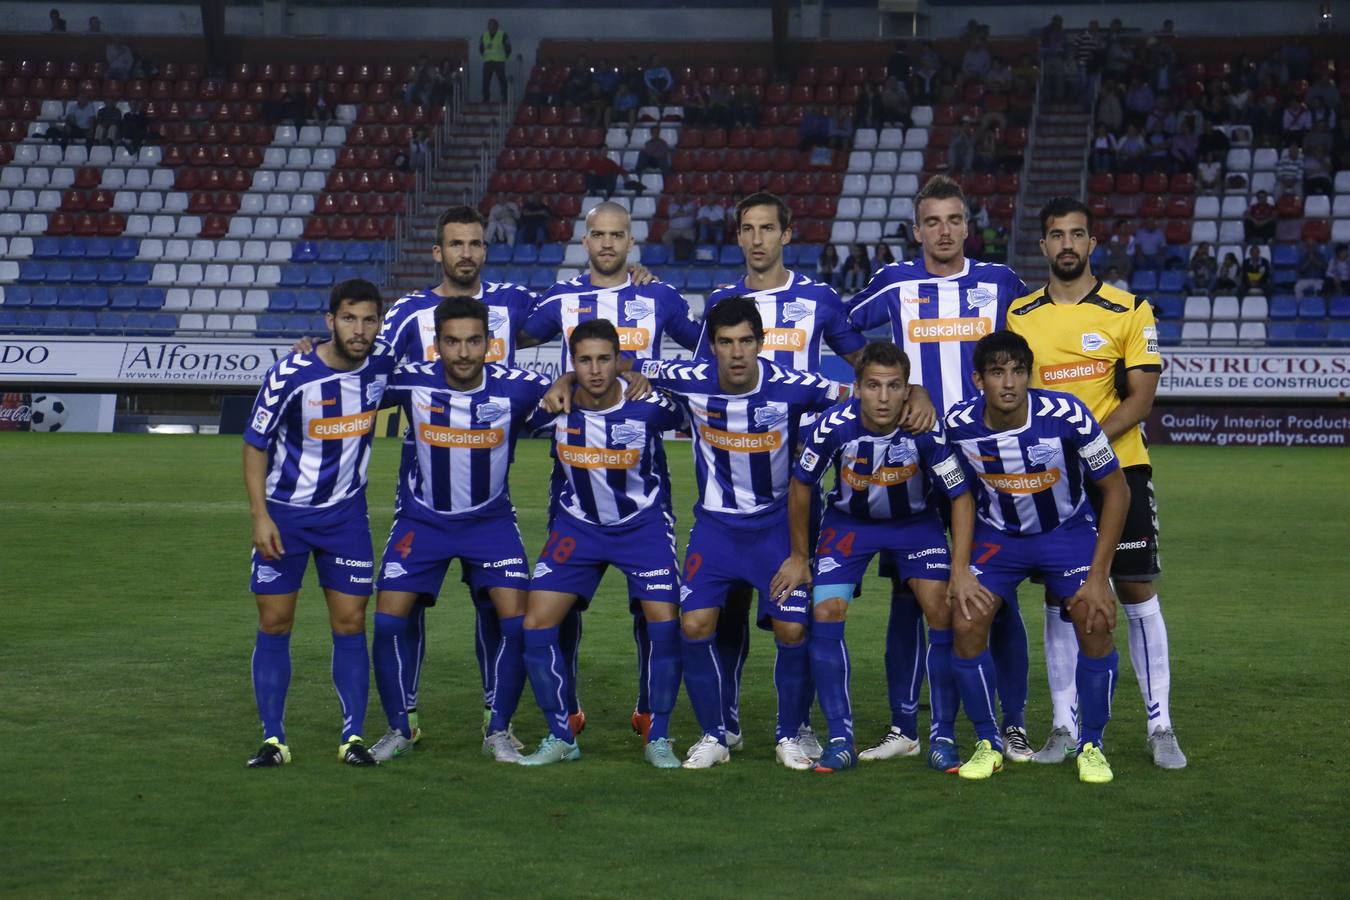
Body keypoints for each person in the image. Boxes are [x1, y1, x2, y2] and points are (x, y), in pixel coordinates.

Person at [698, 193, 933, 766]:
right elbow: (701, 376)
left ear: (787, 234)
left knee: (795, 616)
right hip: (734, 478)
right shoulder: (721, 304)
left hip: (803, 479)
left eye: (768, 229)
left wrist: (915, 387)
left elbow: (866, 361)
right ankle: (723, 724)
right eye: (747, 229)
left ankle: (798, 725)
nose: (758, 239)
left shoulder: (819, 299)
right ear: (738, 238)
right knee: (723, 610)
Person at [844, 174, 1033, 766]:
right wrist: (900, 387)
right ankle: (906, 724)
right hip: (916, 458)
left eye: (954, 220)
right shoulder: (895, 283)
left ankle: (1013, 723)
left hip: (984, 457)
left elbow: (1030, 348)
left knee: (994, 594)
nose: (944, 231)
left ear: (968, 227)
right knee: (910, 593)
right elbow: (845, 326)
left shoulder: (1000, 283)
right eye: (933, 221)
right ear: (917, 229)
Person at [1007, 196, 1186, 770]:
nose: (1066, 244)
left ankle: (1160, 726)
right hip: (1049, 476)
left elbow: (1141, 399)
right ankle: (1064, 725)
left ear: (1091, 243)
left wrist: (1086, 442)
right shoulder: (1020, 316)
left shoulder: (1130, 308)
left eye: (1076, 234)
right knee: (1064, 595)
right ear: (1043, 247)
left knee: (1134, 589)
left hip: (1120, 470)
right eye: (1056, 235)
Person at [636, 300, 849, 768]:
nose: (736, 353)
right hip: (715, 530)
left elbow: (858, 395)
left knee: (792, 629)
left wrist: (914, 395)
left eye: (746, 342)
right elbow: (619, 359)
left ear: (761, 343)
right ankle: (715, 736)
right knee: (693, 625)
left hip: (775, 531)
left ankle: (788, 735)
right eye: (726, 343)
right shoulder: (690, 379)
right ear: (711, 347)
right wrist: (579, 378)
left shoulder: (794, 388)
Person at [522, 202, 703, 740]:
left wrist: (649, 374)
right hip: (573, 475)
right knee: (563, 604)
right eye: (598, 235)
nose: (607, 244)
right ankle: (567, 707)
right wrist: (554, 383)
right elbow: (516, 337)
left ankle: (650, 709)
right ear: (585, 241)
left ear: (631, 242)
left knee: (652, 609)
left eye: (617, 235)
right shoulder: (561, 297)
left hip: (642, 472)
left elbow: (704, 355)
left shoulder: (659, 296)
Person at [370, 207, 540, 746]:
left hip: (491, 488)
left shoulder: (512, 303)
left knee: (503, 607)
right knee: (401, 607)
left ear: (485, 250)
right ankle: (404, 721)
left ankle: (499, 721)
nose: (466, 252)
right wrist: (315, 350)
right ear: (437, 252)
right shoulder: (407, 314)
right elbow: (365, 364)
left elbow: (581, 316)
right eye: (455, 244)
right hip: (423, 492)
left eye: (475, 243)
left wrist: (633, 280)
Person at [770, 341, 975, 773]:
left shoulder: (925, 430)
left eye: (894, 386)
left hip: (915, 525)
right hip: (850, 525)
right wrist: (799, 555)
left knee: (941, 611)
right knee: (826, 612)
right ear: (858, 388)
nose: (883, 397)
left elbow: (959, 494)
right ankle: (840, 738)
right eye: (874, 386)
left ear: (907, 391)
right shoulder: (833, 427)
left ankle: (940, 736)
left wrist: (959, 569)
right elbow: (801, 484)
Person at [944, 330, 1130, 784]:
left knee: (1096, 617)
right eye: (997, 372)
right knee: (966, 620)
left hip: (1064, 532)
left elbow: (1117, 490)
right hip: (998, 537)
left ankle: (1091, 745)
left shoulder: (1068, 415)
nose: (1008, 382)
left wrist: (1099, 577)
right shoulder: (957, 425)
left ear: (1030, 375)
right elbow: (958, 494)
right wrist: (960, 569)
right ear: (978, 380)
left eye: (1018, 371)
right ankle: (988, 741)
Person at [500, 320, 686, 768]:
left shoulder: (649, 405)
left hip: (642, 527)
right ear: (572, 363)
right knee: (535, 627)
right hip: (577, 529)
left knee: (664, 625)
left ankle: (658, 735)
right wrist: (558, 383)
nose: (595, 369)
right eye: (584, 360)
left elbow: (686, 410)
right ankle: (561, 734)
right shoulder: (554, 407)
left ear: (618, 359)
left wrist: (642, 374)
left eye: (604, 358)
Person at [241, 279, 393, 768]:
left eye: (369, 320)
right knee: (275, 622)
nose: (359, 329)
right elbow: (254, 444)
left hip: (345, 518)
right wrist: (260, 516)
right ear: (330, 321)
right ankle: (273, 739)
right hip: (285, 518)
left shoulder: (382, 365)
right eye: (349, 318)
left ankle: (352, 738)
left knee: (350, 623)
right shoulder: (291, 373)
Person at [479, 18, 510, 104]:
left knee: (502, 80)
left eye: (492, 24)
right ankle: (486, 98)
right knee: (485, 81)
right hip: (488, 61)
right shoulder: (484, 35)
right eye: (489, 24)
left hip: (499, 61)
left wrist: (505, 57)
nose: (490, 26)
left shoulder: (503, 35)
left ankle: (505, 98)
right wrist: (485, 55)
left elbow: (508, 47)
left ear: (497, 26)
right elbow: (481, 48)